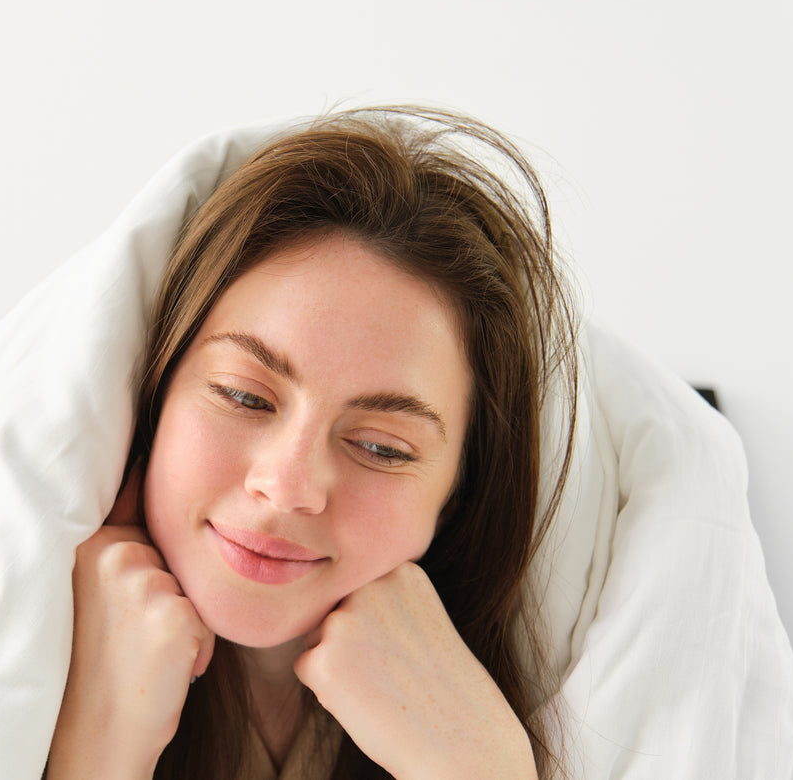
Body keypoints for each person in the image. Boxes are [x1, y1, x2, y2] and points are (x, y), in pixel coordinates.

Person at [47, 106, 580, 780]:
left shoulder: (560, 698)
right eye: (245, 396)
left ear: (456, 495)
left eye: (383, 447)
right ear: (153, 396)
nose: (288, 484)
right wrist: (98, 752)